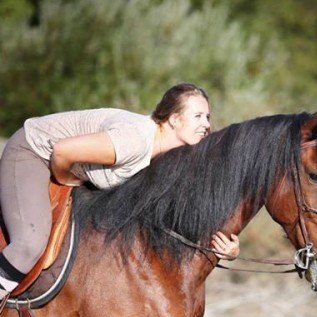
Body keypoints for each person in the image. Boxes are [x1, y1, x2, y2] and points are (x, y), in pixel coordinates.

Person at [0, 83, 239, 300]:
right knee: (29, 244)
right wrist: (66, 179)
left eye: (207, 117)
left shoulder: (170, 154)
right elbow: (62, 151)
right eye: (198, 116)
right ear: (174, 120)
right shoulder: (134, 141)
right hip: (33, 151)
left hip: (63, 161)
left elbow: (182, 211)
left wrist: (225, 246)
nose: (207, 124)